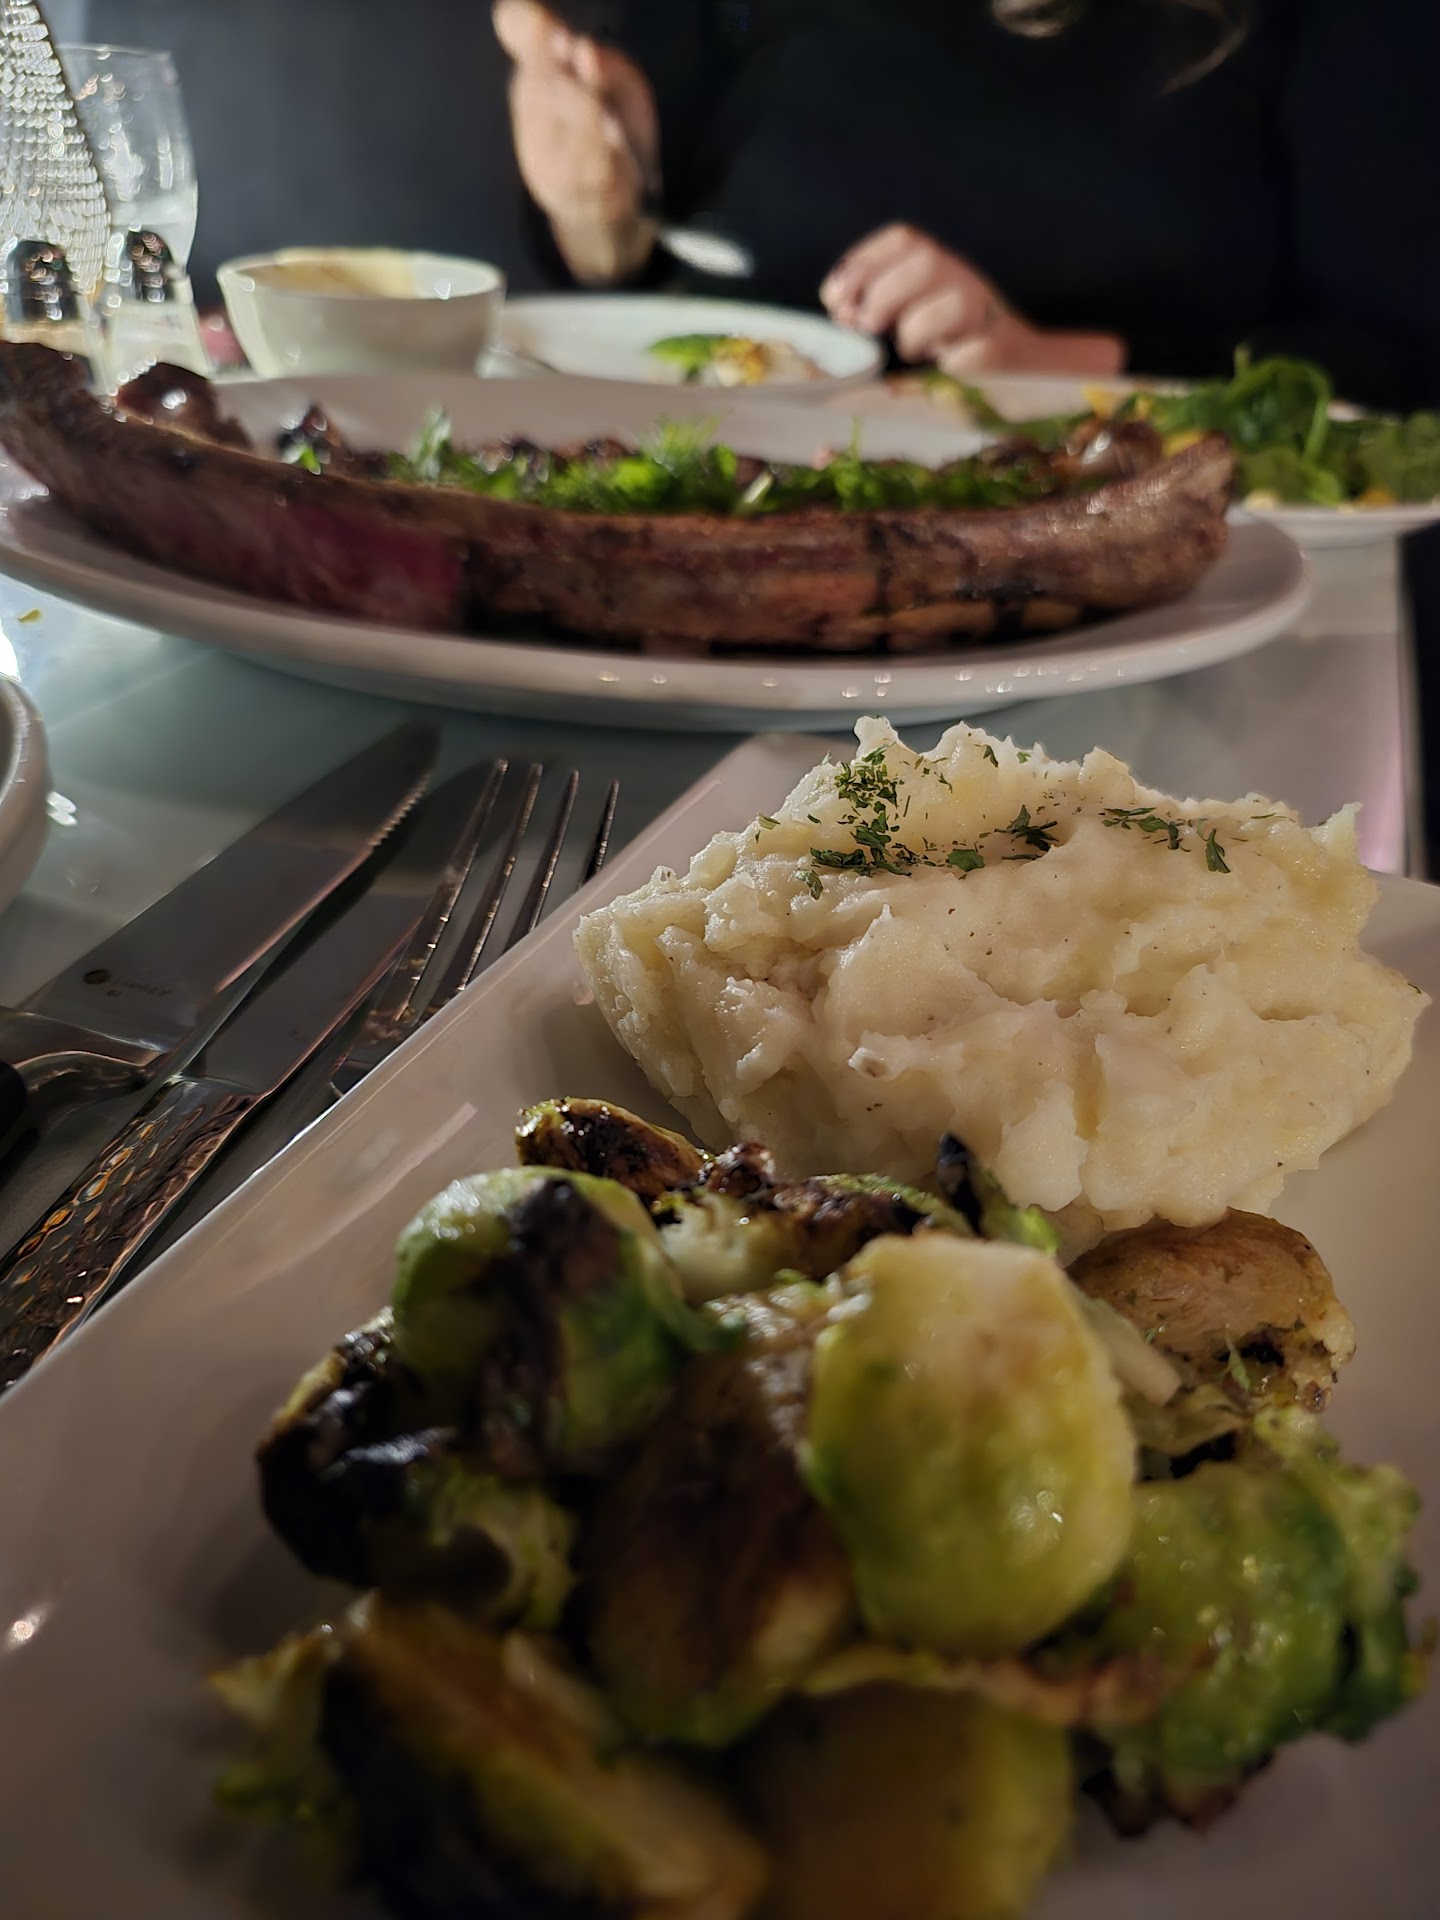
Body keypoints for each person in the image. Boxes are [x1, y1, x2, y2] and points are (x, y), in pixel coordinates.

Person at [496, 0, 1440, 410]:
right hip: (725, 505)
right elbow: (625, 268)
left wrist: (1046, 363)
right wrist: (596, 208)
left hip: (1143, 570)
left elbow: (1394, 356)